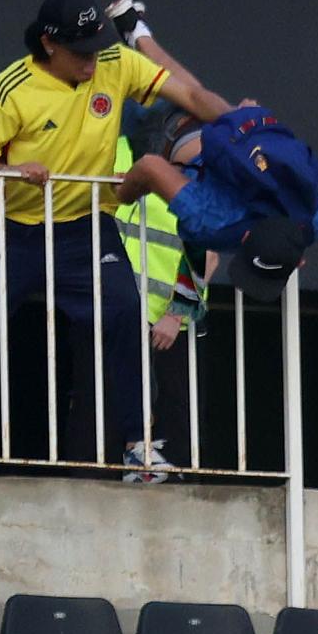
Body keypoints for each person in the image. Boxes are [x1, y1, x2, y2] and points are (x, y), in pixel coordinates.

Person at [0, 0, 233, 481]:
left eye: (97, 48)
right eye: (81, 53)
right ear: (50, 44)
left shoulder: (115, 63)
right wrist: (13, 171)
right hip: (13, 231)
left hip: (83, 229)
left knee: (124, 311)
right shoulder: (11, 88)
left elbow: (191, 96)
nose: (92, 62)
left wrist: (244, 123)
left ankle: (138, 444)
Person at [114, 101, 318, 305]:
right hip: (162, 131)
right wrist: (123, 194)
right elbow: (151, 167)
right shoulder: (216, 223)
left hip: (225, 121)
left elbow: (301, 162)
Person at [112, 98, 211, 469]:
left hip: (173, 317)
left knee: (180, 417)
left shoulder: (199, 160)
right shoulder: (115, 151)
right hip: (122, 311)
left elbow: (209, 251)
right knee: (113, 405)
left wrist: (176, 313)